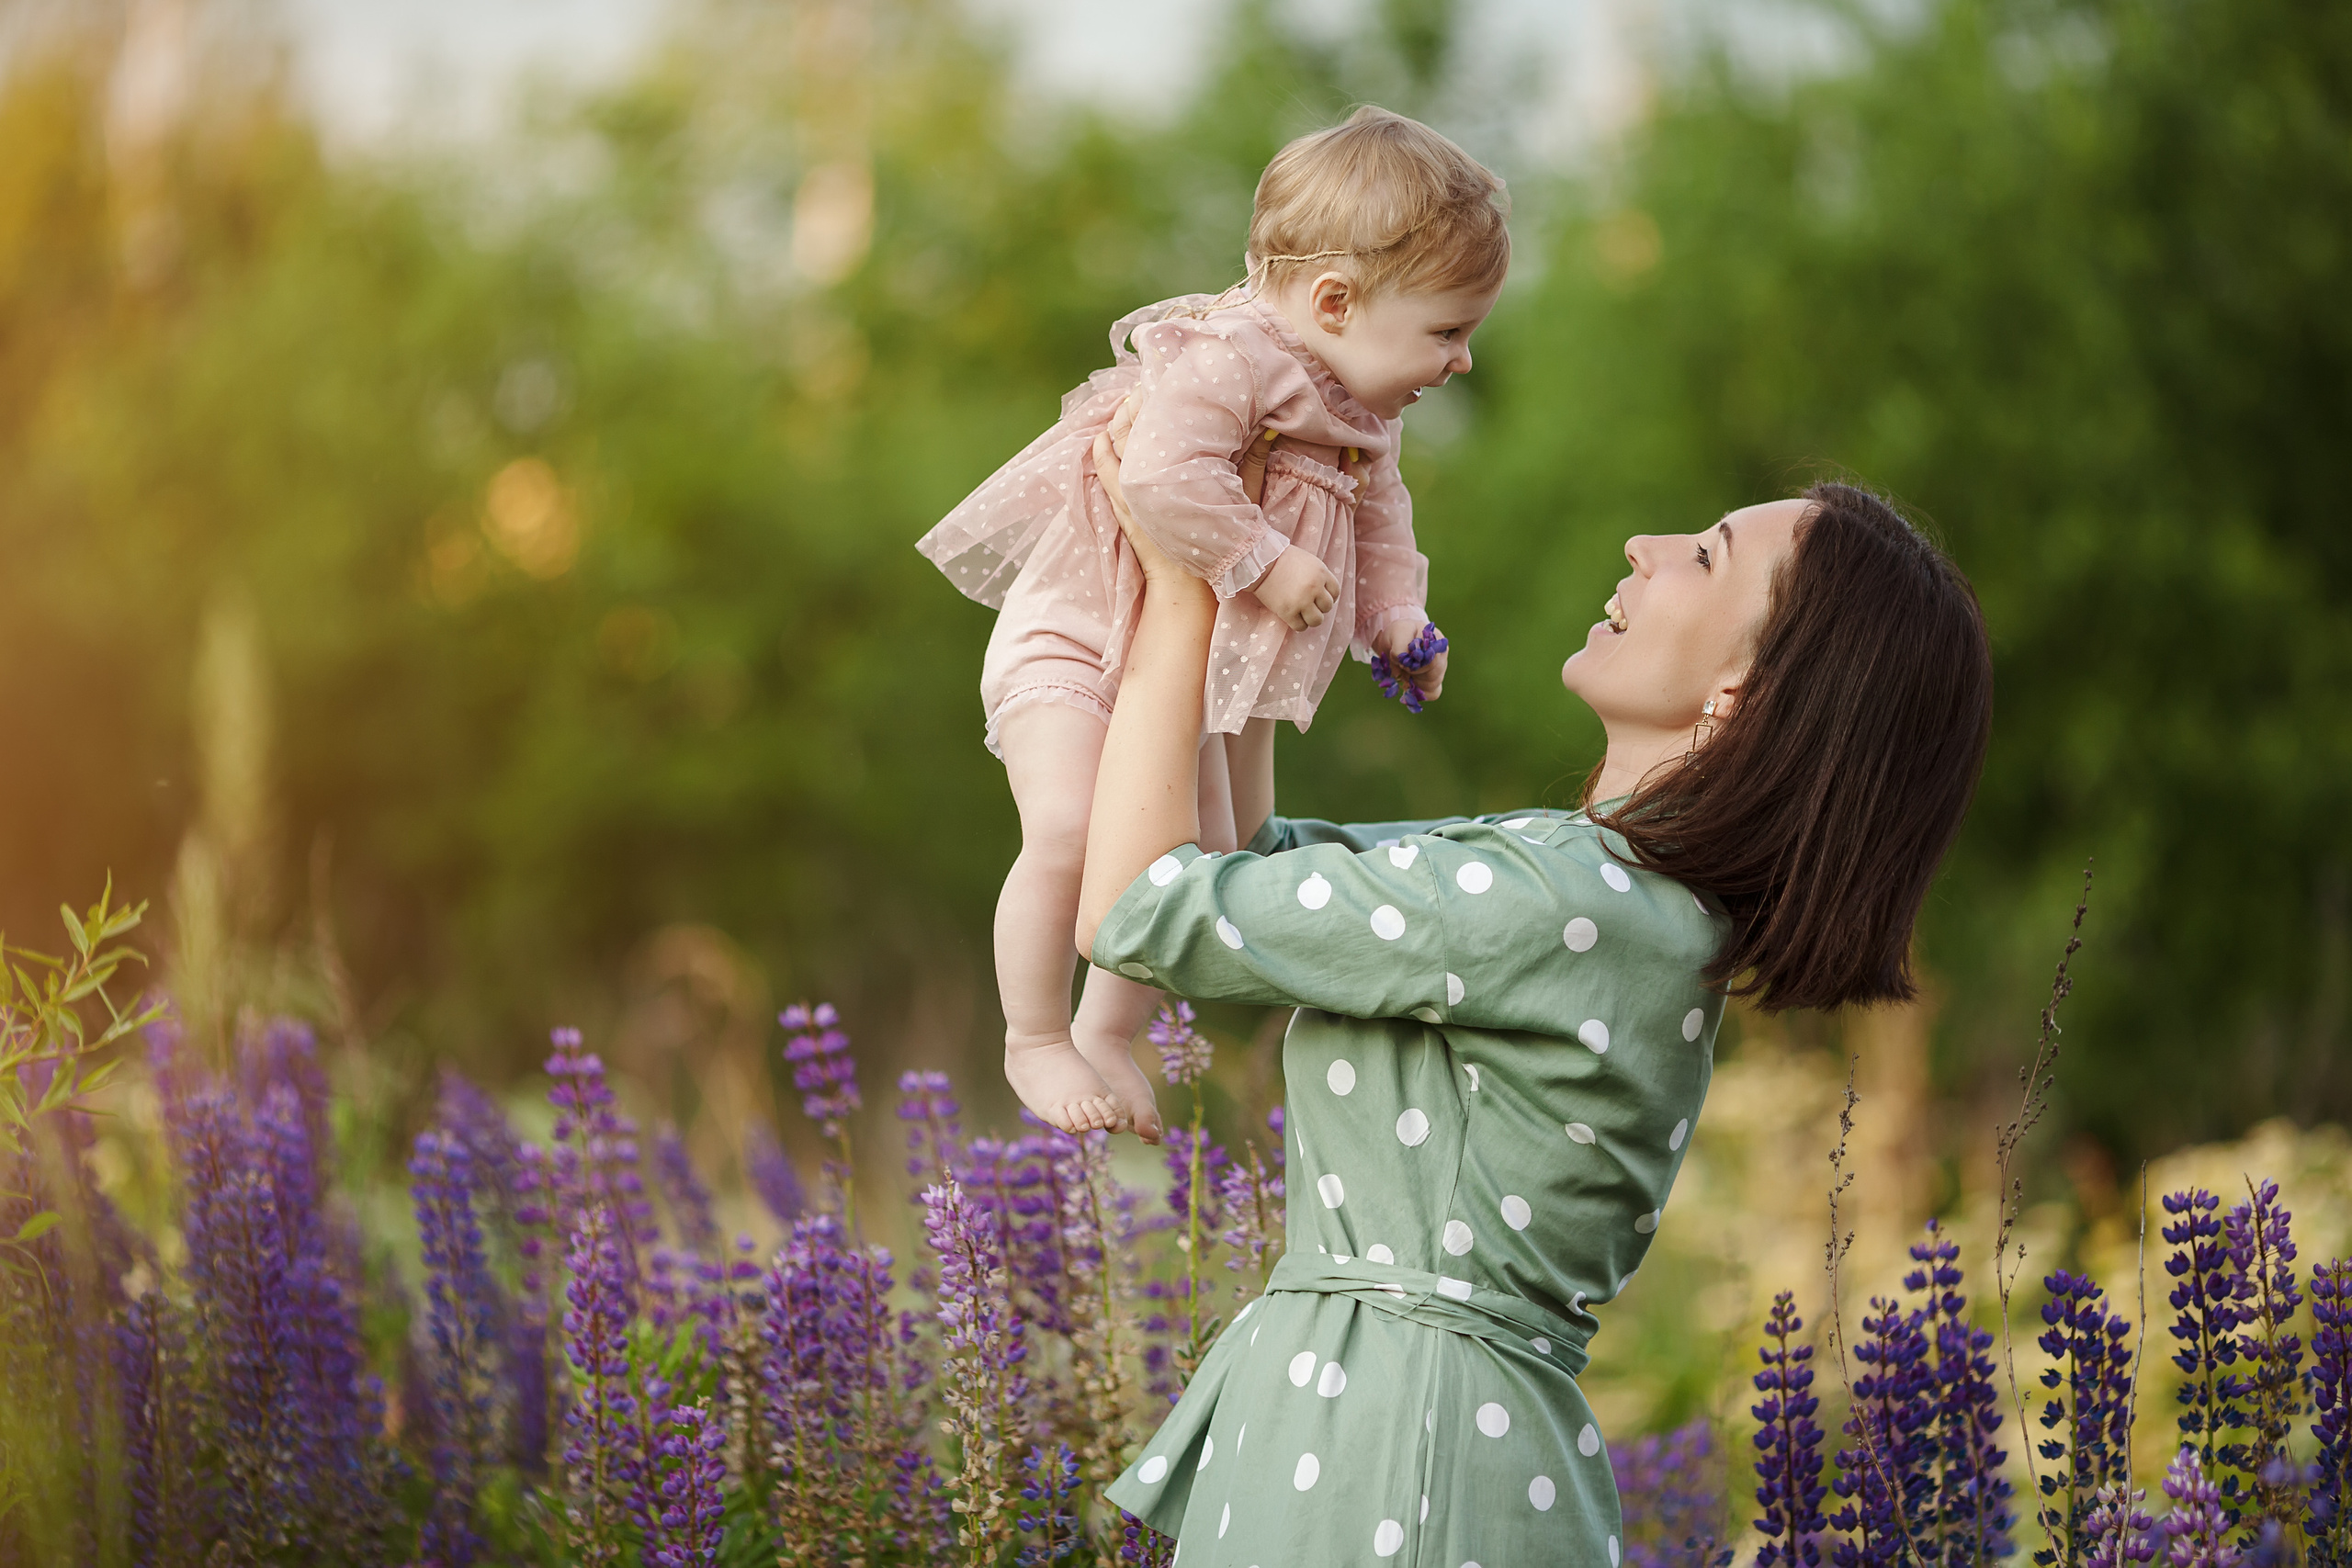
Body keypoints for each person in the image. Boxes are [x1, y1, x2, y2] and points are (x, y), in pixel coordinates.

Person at [1078, 463, 1995, 1563]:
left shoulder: (1577, 908)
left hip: (1400, 1457)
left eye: (1705, 554)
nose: (1642, 546)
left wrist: (1182, 587)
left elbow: (1139, 906)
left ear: (1745, 688)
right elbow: (1247, 870)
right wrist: (1259, 596)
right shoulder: (1588, 885)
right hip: (1380, 1425)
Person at [917, 107, 1510, 1142]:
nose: (1459, 360)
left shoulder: (1366, 414)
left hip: (1194, 677)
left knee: (1198, 862)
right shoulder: (1229, 360)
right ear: (1335, 300)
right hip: (1080, 637)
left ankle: (1108, 1032)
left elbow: (1380, 522)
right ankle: (1032, 1035)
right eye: (1447, 330)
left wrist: (1395, 617)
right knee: (1065, 830)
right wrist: (1264, 560)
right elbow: (1157, 474)